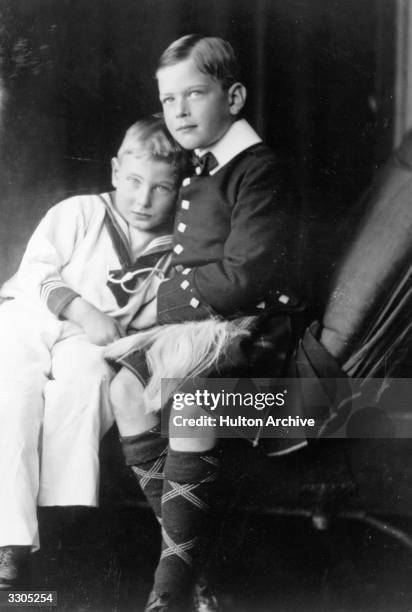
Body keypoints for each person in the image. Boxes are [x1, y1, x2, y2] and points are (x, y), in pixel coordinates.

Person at [107, 34, 302, 612]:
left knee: (190, 396)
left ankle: (169, 588)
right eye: (168, 100)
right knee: (124, 388)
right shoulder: (201, 167)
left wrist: (156, 303)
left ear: (234, 95)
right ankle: (197, 565)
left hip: (250, 329)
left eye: (195, 94)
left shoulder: (259, 168)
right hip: (203, 325)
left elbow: (243, 277)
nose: (179, 111)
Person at [0, 117, 187, 588]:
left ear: (179, 190)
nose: (143, 200)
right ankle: (10, 540)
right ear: (114, 172)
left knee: (86, 388)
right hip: (32, 317)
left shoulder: (171, 251)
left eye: (161, 189)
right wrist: (83, 311)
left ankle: (62, 521)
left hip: (92, 341)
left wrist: (114, 334)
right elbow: (37, 272)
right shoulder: (81, 211)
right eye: (133, 182)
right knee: (14, 400)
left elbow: (147, 315)